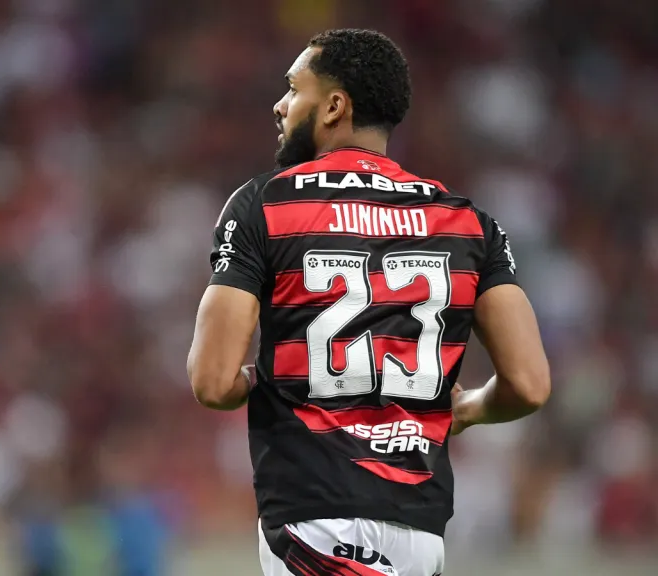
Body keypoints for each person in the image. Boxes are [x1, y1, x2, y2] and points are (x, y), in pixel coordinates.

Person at [186, 29, 550, 576]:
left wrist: (265, 378)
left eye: (294, 88)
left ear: (334, 106)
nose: (280, 105)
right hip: (420, 532)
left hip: (316, 524)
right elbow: (528, 383)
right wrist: (468, 409)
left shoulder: (265, 203)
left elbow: (211, 382)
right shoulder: (471, 224)